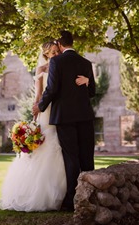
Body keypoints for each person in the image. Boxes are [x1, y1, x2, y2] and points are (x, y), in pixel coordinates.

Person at [0, 40, 88, 212]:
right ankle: (43, 195)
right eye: (52, 52)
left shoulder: (63, 66)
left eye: (57, 51)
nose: (55, 54)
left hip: (62, 112)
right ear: (45, 54)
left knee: (64, 151)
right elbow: (39, 94)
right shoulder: (41, 70)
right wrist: (36, 110)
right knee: (47, 147)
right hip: (46, 113)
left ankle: (66, 194)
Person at [33, 31, 96, 212]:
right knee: (86, 157)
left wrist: (40, 106)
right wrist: (87, 80)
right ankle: (90, 196)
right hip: (85, 116)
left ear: (60, 44)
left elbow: (52, 89)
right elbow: (92, 91)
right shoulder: (86, 63)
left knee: (71, 157)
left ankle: (71, 200)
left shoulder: (56, 62)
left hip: (65, 117)